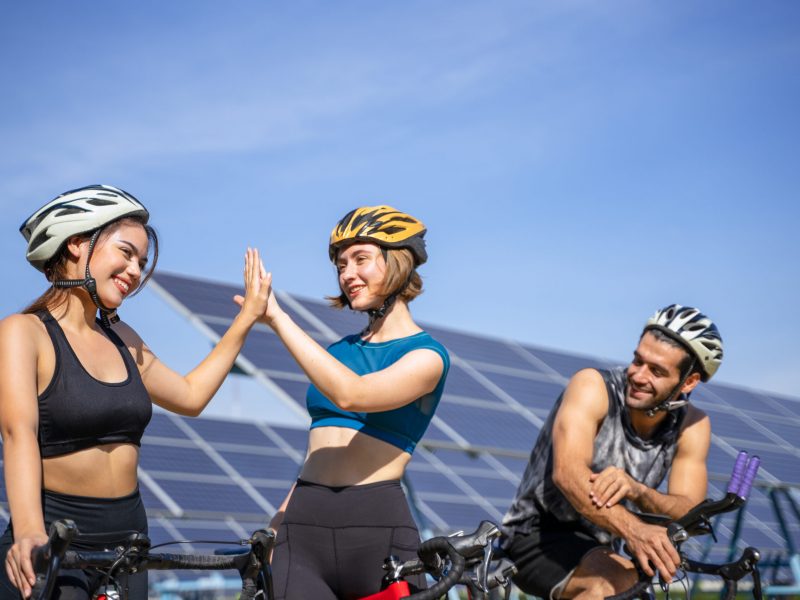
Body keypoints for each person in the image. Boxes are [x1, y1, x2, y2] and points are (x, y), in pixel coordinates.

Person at [0, 184, 270, 599]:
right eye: (126, 253)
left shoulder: (123, 338)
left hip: (128, 543)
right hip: (56, 539)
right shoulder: (23, 332)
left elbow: (191, 395)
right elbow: (18, 435)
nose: (135, 270)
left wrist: (247, 317)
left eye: (141, 262)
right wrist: (31, 533)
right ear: (76, 244)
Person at [237, 205, 450, 599]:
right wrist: (275, 524)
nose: (347, 274)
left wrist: (277, 318)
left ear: (398, 263)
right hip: (302, 529)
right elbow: (319, 449)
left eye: (360, 260)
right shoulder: (337, 352)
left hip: (377, 531)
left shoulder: (428, 357)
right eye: (340, 265)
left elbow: (353, 394)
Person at [501, 304, 723, 599]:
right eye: (637, 360)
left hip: (603, 544)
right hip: (536, 535)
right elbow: (568, 476)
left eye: (656, 371)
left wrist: (637, 491)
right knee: (615, 583)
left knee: (631, 588)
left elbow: (690, 510)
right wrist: (635, 530)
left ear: (689, 382)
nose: (639, 376)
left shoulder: (693, 424)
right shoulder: (593, 386)